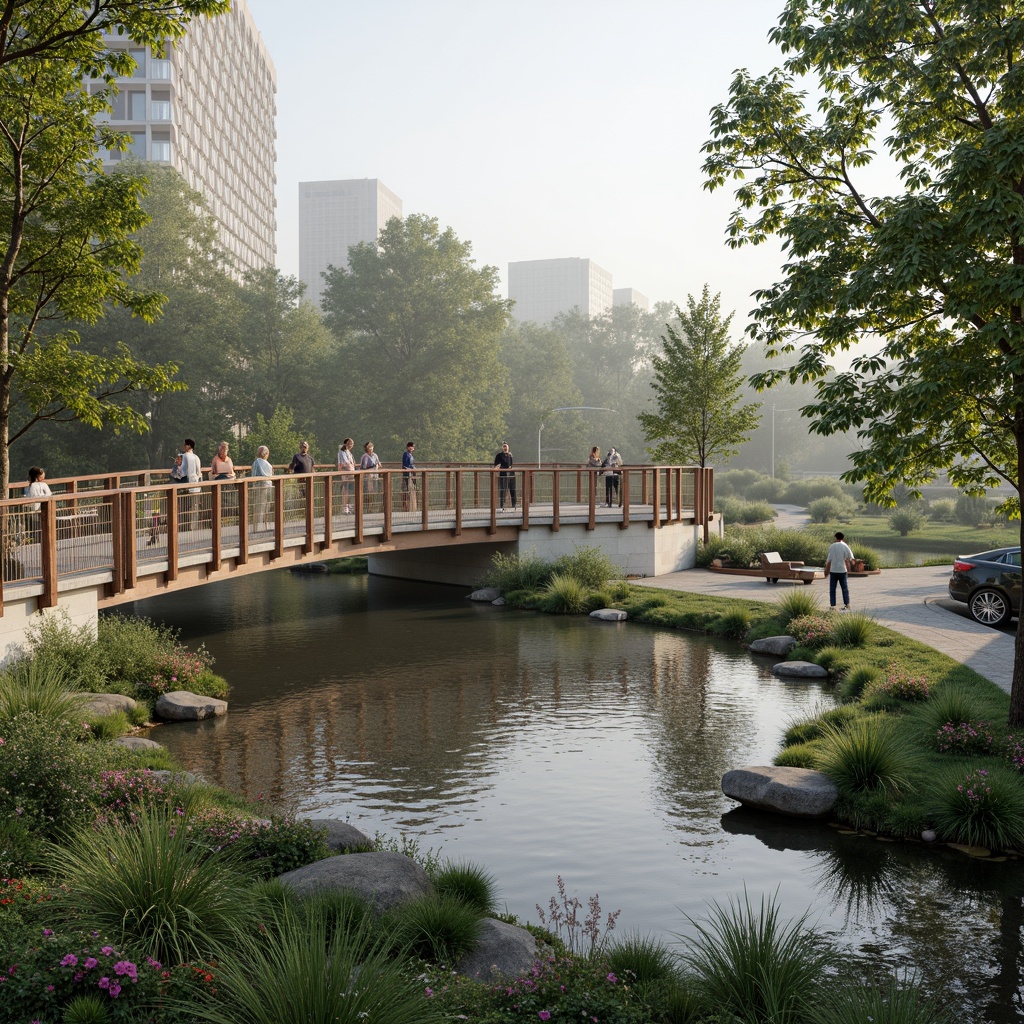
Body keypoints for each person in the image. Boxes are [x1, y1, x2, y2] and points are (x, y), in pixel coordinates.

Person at [825, 530, 855, 611]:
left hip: (833, 570)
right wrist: (850, 568)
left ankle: (833, 605)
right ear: (843, 538)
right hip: (842, 570)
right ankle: (847, 604)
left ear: (835, 537)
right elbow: (850, 558)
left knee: (832, 588)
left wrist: (826, 571)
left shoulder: (832, 546)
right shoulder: (845, 546)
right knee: (844, 588)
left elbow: (829, 560)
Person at [178, 438, 202, 532]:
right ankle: (193, 528)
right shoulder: (196, 457)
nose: (183, 447)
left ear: (188, 446)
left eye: (184, 445)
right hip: (195, 486)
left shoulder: (182, 456)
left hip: (185, 486)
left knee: (184, 508)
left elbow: (180, 472)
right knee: (193, 508)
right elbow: (199, 472)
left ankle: (185, 528)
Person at [24, 466, 52, 546]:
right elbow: (48, 494)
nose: (43, 478)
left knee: (35, 525)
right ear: (37, 477)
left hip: (36, 508)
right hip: (37, 508)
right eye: (41, 476)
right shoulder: (38, 485)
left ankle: (35, 539)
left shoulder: (32, 485)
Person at [251, 445, 273, 530]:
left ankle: (257, 527)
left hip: (259, 487)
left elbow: (253, 475)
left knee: (258, 507)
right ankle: (265, 526)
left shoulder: (257, 462)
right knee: (266, 507)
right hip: (268, 487)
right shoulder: (269, 465)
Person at [494, 441, 515, 511]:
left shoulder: (510, 455)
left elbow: (511, 465)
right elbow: (496, 465)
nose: (505, 448)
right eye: (504, 446)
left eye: (506, 446)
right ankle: (502, 505)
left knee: (512, 489)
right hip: (503, 474)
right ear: (502, 447)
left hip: (511, 474)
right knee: (503, 490)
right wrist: (500, 468)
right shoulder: (499, 455)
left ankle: (513, 505)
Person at [360, 441, 381, 510]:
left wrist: (377, 465)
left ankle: (374, 506)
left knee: (375, 490)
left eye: (371, 446)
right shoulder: (365, 456)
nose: (370, 448)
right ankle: (369, 507)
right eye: (369, 446)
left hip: (375, 475)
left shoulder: (375, 455)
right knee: (369, 491)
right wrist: (372, 466)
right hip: (368, 476)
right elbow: (363, 467)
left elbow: (379, 464)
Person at [337, 437, 356, 513]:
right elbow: (344, 463)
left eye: (351, 443)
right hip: (345, 473)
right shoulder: (341, 452)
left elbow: (352, 463)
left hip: (351, 474)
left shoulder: (349, 453)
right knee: (345, 490)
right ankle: (345, 507)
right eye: (348, 443)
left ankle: (349, 506)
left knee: (351, 490)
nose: (350, 445)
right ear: (345, 444)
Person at [401, 441, 418, 513]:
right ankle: (406, 507)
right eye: (410, 446)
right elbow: (405, 464)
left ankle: (412, 507)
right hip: (407, 474)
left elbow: (412, 464)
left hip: (412, 474)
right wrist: (411, 468)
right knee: (407, 489)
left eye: (412, 446)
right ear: (407, 447)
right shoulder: (406, 454)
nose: (411, 447)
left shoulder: (411, 455)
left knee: (412, 489)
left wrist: (414, 468)